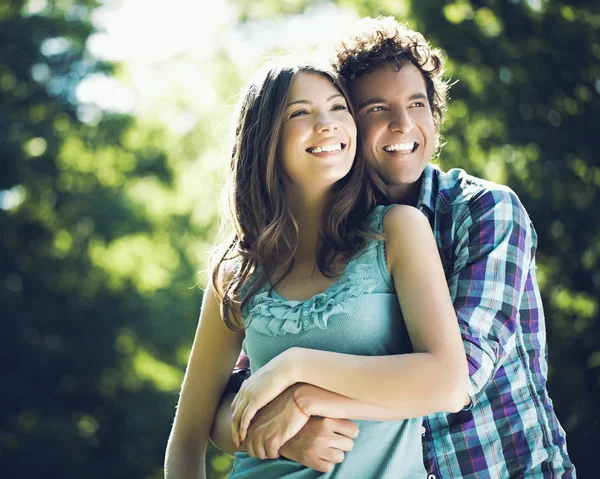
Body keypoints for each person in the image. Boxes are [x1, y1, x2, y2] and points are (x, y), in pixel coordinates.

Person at [210, 16, 577, 479]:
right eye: (378, 108)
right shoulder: (332, 242)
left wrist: (304, 396)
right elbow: (244, 384)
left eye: (418, 104)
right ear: (348, 122)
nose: (403, 124)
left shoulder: (484, 211)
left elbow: (459, 377)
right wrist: (283, 429)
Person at [164, 53, 469, 479]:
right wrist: (276, 434)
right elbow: (187, 439)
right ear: (265, 137)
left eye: (338, 108)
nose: (326, 123)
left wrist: (298, 370)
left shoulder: (397, 231)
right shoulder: (237, 272)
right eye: (301, 113)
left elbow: (449, 384)